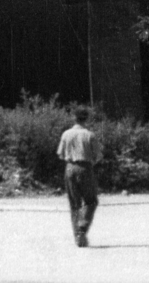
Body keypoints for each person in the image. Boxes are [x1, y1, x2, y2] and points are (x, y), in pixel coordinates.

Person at [56, 105, 100, 246]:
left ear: (73, 118)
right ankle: (83, 226)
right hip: (85, 168)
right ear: (86, 118)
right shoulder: (89, 135)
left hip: (69, 168)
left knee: (74, 204)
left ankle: (78, 237)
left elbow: (60, 154)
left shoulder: (66, 134)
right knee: (91, 201)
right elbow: (98, 156)